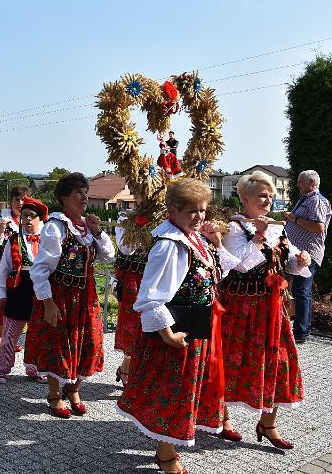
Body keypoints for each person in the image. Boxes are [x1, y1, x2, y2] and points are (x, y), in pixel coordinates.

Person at [117, 179, 240, 474]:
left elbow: (216, 273)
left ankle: (167, 448)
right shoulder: (169, 245)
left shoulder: (192, 237)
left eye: (202, 210)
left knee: (185, 392)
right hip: (175, 334)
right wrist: (167, 334)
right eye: (192, 211)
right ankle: (166, 453)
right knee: (173, 392)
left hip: (194, 329)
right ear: (173, 209)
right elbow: (150, 297)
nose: (199, 217)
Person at [218, 171, 311, 449]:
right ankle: (223, 419)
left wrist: (299, 259)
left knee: (278, 362)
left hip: (273, 310)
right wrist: (257, 234)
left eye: (271, 195)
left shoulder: (276, 228)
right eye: (262, 195)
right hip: (241, 309)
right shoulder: (235, 228)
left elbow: (288, 262)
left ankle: (268, 423)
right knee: (233, 361)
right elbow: (240, 264)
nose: (268, 199)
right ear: (244, 198)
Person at [25, 172, 115, 418]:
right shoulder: (56, 227)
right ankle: (54, 394)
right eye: (78, 192)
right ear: (64, 198)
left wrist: (97, 232)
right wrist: (48, 303)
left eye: (85, 192)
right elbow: (40, 269)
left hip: (85, 296)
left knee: (91, 343)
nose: (84, 196)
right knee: (59, 345)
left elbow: (109, 257)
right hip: (61, 295)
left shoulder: (86, 227)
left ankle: (74, 388)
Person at [0, 196, 48, 384]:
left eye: (31, 216)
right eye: (24, 216)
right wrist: (1, 294)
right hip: (19, 287)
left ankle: (35, 367)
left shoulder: (48, 239)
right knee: (10, 333)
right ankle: (2, 367)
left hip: (41, 289)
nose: (27, 220)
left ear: (40, 218)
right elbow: (4, 269)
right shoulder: (14, 240)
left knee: (38, 332)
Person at [283, 170, 332, 344]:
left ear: (311, 182)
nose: (298, 185)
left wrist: (294, 219)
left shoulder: (316, 200)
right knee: (299, 291)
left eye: (300, 182)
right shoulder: (307, 199)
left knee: (301, 291)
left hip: (308, 253)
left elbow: (319, 227)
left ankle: (301, 333)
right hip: (298, 252)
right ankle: (300, 329)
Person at [0, 186, 28, 350]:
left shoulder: (29, 219)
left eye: (24, 200)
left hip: (22, 269)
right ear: (12, 201)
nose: (20, 203)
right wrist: (0, 231)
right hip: (3, 267)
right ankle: (0, 335)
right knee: (4, 298)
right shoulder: (1, 219)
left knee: (19, 301)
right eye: (17, 200)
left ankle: (12, 337)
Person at [112, 213, 151, 385]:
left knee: (153, 326)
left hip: (154, 276)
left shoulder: (164, 217)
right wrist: (138, 224)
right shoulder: (125, 218)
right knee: (133, 324)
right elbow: (126, 248)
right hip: (133, 280)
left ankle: (133, 370)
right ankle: (128, 369)